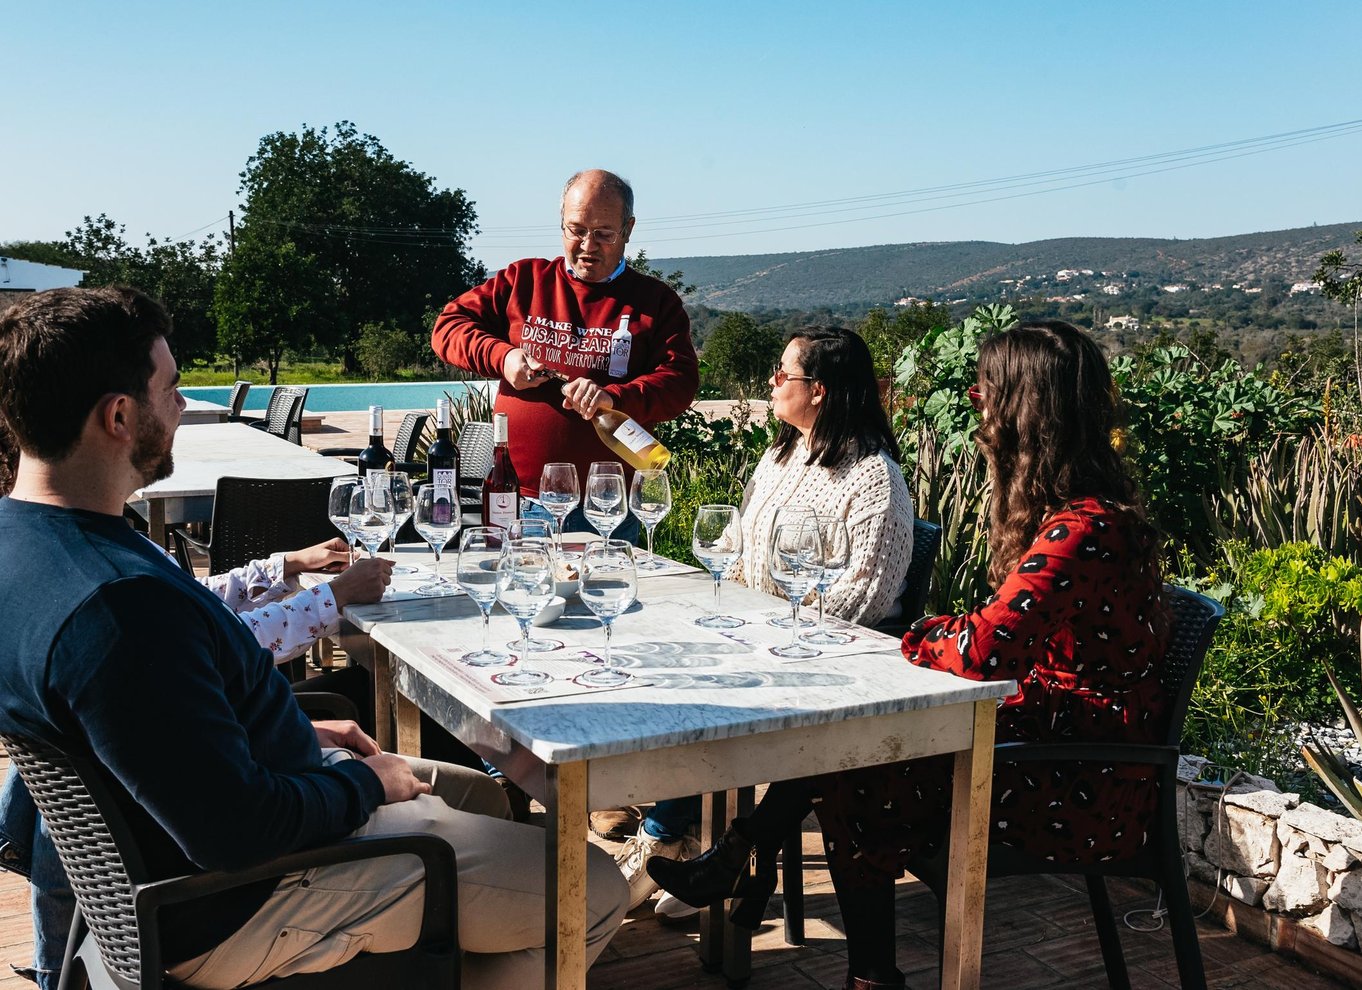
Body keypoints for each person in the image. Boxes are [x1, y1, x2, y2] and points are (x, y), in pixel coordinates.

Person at [0, 287, 627, 989]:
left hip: (219, 829)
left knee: (482, 798)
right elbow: (236, 832)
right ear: (118, 416)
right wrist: (363, 781)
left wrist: (296, 734)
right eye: (171, 389)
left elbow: (153, 728)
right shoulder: (115, 609)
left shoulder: (26, 541)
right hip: (238, 899)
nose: (179, 406)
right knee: (592, 885)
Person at [648, 320, 1168, 989]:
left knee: (851, 767)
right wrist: (947, 631)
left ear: (1026, 410)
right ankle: (809, 919)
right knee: (847, 756)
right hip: (1045, 737)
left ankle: (762, 877)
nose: (977, 402)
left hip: (1085, 782)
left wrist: (920, 634)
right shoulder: (1077, 516)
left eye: (989, 390)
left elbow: (985, 648)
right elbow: (995, 638)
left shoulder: (1082, 528)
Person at [0, 529, 392, 990]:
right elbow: (207, 646)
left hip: (146, 893)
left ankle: (56, 972)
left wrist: (281, 568)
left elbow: (200, 609)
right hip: (213, 904)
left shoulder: (42, 545)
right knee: (483, 860)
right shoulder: (107, 594)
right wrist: (330, 598)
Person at [616, 326, 917, 919]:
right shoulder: (781, 455)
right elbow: (734, 544)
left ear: (822, 390)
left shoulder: (874, 478)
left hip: (825, 663)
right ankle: (706, 852)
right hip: (758, 639)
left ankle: (691, 847)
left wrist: (770, 632)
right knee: (667, 665)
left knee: (700, 687)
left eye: (783, 374)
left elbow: (869, 597)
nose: (771, 382)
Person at [430, 168, 699, 537]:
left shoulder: (656, 302)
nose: (588, 245)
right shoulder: (523, 281)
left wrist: (612, 397)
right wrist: (504, 358)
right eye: (577, 230)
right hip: (518, 499)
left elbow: (680, 382)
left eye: (604, 233)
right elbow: (448, 327)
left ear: (628, 229)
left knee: (606, 596)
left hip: (606, 506)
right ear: (561, 224)